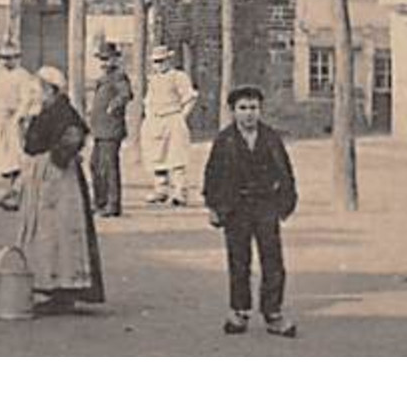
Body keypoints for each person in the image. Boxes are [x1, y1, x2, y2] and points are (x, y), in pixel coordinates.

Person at [204, 85, 298, 338]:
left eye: (253, 108)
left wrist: (284, 205)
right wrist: (213, 207)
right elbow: (212, 175)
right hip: (235, 208)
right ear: (233, 111)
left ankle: (273, 313)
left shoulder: (270, 138)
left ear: (260, 110)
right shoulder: (224, 140)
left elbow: (285, 172)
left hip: (265, 206)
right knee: (239, 260)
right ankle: (239, 310)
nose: (248, 114)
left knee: (273, 260)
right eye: (242, 108)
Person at [17, 65, 105, 315]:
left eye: (41, 89)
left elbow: (74, 136)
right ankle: (52, 286)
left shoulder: (62, 111)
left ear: (51, 89)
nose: (38, 93)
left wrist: (57, 159)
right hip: (46, 176)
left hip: (60, 181)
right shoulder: (48, 109)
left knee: (59, 231)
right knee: (47, 231)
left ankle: (63, 288)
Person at [141, 45, 198, 206]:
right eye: (155, 62)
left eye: (161, 61)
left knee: (176, 156)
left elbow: (190, 97)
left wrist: (182, 116)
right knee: (157, 156)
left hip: (173, 118)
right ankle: (161, 190)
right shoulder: (153, 79)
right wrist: (149, 116)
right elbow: (148, 100)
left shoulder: (178, 76)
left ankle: (180, 191)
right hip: (155, 120)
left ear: (168, 60)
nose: (158, 65)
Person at [0, 43, 38, 211]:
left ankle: (19, 194)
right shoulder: (1, 76)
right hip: (0, 123)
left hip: (13, 122)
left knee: (18, 160)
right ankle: (10, 191)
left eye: (10, 58)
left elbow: (26, 100)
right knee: (5, 161)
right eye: (3, 58)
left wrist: (19, 117)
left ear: (17, 58)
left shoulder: (23, 76)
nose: (6, 62)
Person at [89, 46, 134, 216]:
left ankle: (112, 204)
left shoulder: (119, 76)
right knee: (95, 165)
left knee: (109, 167)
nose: (104, 63)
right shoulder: (103, 78)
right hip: (99, 130)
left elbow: (127, 94)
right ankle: (99, 201)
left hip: (111, 129)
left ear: (115, 59)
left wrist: (113, 105)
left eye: (107, 59)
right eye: (102, 59)